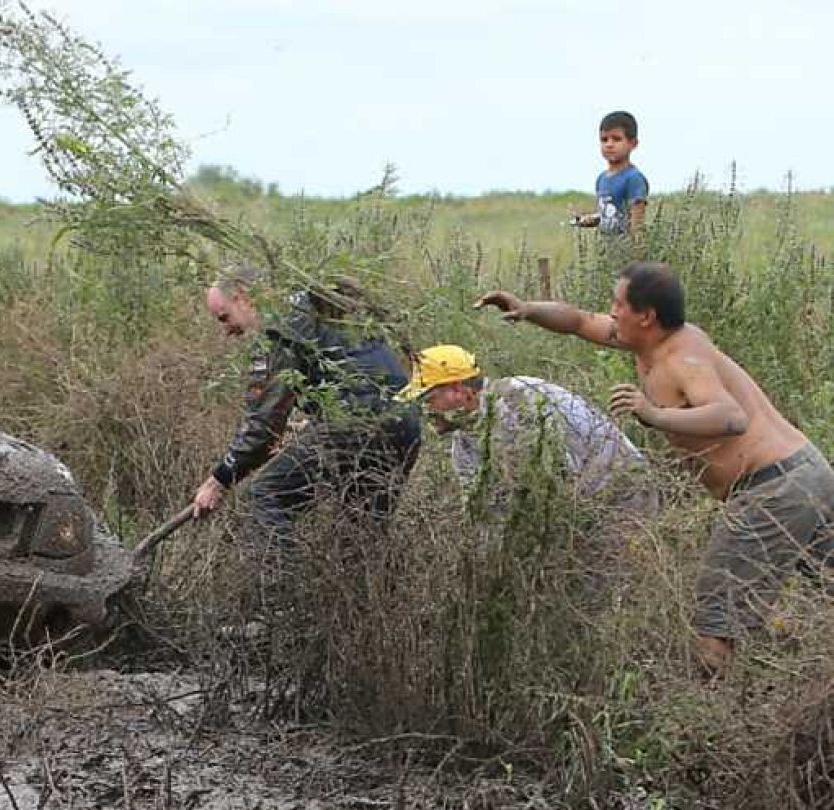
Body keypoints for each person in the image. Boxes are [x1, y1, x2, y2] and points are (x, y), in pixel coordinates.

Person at [475, 262, 834, 672]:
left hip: (773, 489)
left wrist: (654, 415)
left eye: (619, 303)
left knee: (715, 622)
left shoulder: (683, 358)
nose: (610, 311)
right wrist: (527, 309)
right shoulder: (648, 341)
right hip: (808, 473)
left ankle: (710, 722)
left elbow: (731, 418)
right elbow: (579, 320)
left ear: (646, 316)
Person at [190, 267, 422, 535]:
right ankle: (373, 577)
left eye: (224, 317)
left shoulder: (278, 326)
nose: (227, 331)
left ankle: (278, 577)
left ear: (244, 298)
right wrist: (315, 423)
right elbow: (354, 369)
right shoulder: (319, 303)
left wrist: (219, 481)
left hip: (355, 422)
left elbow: (263, 425)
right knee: (362, 533)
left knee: (264, 498)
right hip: (405, 422)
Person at [399, 344, 655, 514]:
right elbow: (482, 509)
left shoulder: (520, 401)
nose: (427, 412)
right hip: (583, 509)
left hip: (622, 496)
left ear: (458, 389)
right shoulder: (464, 441)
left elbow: (558, 489)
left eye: (429, 400)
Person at [571, 110, 649, 238]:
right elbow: (609, 215)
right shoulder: (601, 179)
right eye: (604, 139)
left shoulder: (633, 178)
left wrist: (636, 253)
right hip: (606, 250)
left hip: (626, 252)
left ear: (633, 143)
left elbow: (637, 224)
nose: (609, 145)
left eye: (617, 139)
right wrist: (591, 219)